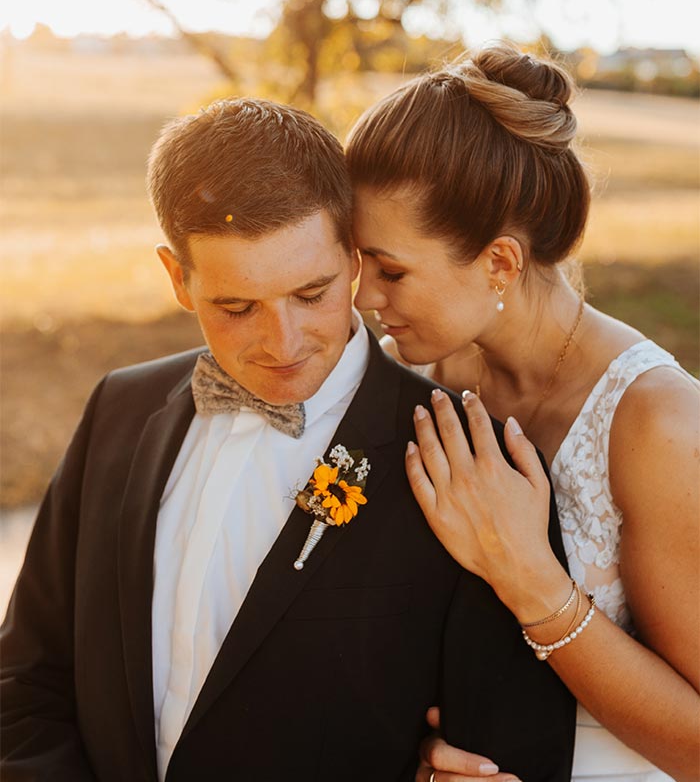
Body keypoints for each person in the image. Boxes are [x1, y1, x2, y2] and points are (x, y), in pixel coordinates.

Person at [0, 97, 575, 782]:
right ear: (177, 278)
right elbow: (26, 676)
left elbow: (509, 759)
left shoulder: (475, 470)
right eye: (237, 307)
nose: (284, 344)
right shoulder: (119, 410)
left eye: (312, 293)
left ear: (354, 261)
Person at [346, 43, 700, 781]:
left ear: (500, 263)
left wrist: (530, 579)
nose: (363, 299)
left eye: (392, 271)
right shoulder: (426, 370)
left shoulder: (657, 425)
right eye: (358, 264)